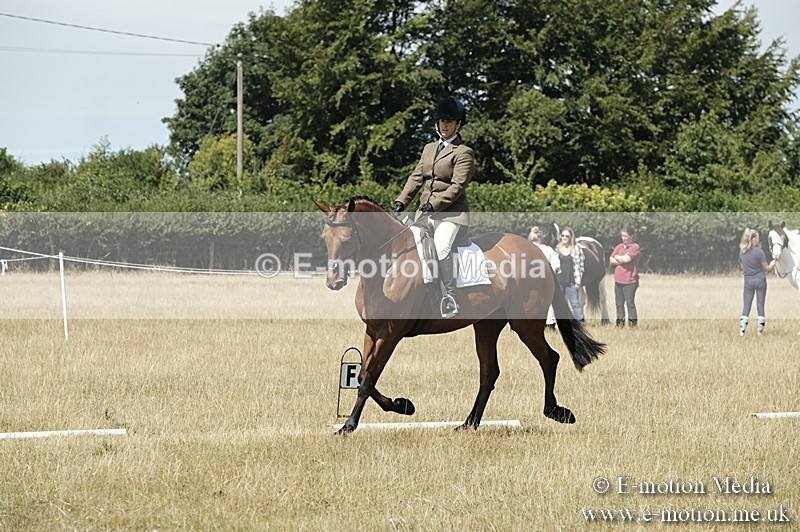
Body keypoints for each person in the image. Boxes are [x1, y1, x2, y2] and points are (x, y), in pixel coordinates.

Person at [393, 97, 475, 318]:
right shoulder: (429, 148)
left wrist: (434, 204)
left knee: (440, 248)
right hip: (424, 213)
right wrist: (402, 200)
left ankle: (450, 298)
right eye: (441, 121)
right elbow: (416, 176)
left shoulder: (463, 152)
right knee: (402, 243)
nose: (445, 125)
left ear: (458, 124)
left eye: (450, 121)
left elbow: (457, 186)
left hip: (451, 215)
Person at [738, 228, 777, 336]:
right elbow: (767, 268)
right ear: (753, 239)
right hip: (760, 280)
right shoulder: (759, 252)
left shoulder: (742, 252)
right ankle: (759, 332)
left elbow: (743, 268)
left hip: (748, 281)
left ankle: (742, 331)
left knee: (746, 306)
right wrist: (774, 263)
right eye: (757, 238)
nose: (758, 241)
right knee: (760, 306)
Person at [609, 226, 641, 327]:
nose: (623, 238)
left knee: (630, 303)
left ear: (631, 236)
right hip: (618, 280)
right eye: (622, 236)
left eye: (626, 236)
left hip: (630, 281)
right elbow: (611, 259)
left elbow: (626, 260)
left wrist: (617, 258)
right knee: (619, 304)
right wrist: (620, 259)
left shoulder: (635, 247)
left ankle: (632, 325)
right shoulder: (619, 247)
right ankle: (619, 324)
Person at [528, 226, 561, 325]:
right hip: (545, 279)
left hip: (528, 281)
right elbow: (556, 266)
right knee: (548, 302)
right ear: (541, 238)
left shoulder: (525, 249)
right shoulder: (548, 250)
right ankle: (550, 323)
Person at [556, 227, 585, 324]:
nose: (564, 237)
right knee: (559, 303)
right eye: (562, 235)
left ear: (571, 237)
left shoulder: (576, 249)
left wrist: (579, 281)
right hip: (559, 280)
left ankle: (581, 323)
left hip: (571, 281)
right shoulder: (557, 249)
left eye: (567, 236)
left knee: (575, 304)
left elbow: (581, 267)